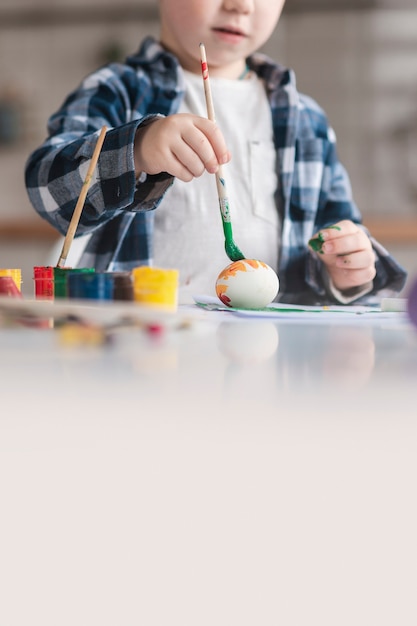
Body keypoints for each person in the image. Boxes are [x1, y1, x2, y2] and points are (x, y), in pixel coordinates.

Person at [25, 0, 407, 305]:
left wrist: (345, 267)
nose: (241, 5)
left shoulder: (305, 117)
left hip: (268, 356)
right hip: (136, 346)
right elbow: (47, 189)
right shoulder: (116, 91)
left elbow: (338, 234)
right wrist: (136, 148)